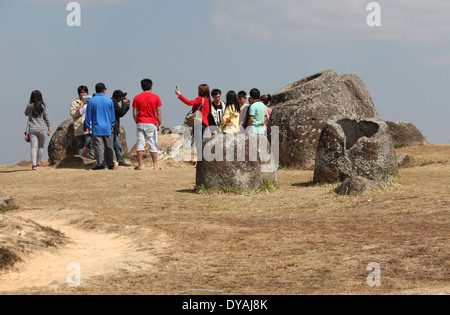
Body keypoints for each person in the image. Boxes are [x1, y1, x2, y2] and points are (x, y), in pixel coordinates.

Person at [132, 79, 162, 171]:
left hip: (140, 122)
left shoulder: (136, 98)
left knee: (140, 143)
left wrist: (137, 121)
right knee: (152, 143)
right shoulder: (156, 97)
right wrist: (159, 124)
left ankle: (140, 165)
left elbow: (134, 113)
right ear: (151, 87)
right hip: (151, 122)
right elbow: (159, 113)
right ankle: (155, 165)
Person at [176, 84, 211, 162]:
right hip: (205, 125)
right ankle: (204, 161)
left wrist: (179, 95)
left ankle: (200, 162)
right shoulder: (207, 100)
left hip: (198, 124)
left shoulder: (200, 99)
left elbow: (189, 103)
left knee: (198, 145)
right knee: (204, 144)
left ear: (201, 91)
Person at [85, 83, 116, 170]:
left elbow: (88, 114)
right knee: (108, 146)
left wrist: (87, 125)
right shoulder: (109, 101)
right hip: (107, 126)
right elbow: (112, 114)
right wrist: (112, 124)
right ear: (104, 90)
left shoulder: (91, 101)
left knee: (98, 146)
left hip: (96, 126)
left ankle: (100, 163)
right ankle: (110, 163)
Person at [24, 90, 51, 170]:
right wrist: (49, 128)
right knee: (41, 146)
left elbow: (25, 113)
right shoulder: (44, 106)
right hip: (42, 129)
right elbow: (47, 118)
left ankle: (34, 164)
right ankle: (39, 162)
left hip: (32, 129)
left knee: (33, 147)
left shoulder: (30, 106)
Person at [70, 85, 94, 159]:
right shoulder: (75, 102)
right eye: (82, 92)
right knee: (80, 146)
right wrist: (80, 107)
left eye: (85, 92)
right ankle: (81, 161)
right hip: (79, 127)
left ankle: (93, 160)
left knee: (91, 145)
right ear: (79, 93)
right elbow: (73, 114)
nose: (83, 94)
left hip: (89, 127)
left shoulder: (92, 101)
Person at [111, 90, 132, 167]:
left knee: (117, 146)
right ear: (119, 97)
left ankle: (121, 161)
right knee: (111, 146)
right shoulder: (113, 103)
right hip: (111, 128)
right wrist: (124, 104)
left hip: (113, 128)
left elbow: (121, 112)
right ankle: (110, 162)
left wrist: (126, 107)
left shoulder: (114, 102)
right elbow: (120, 113)